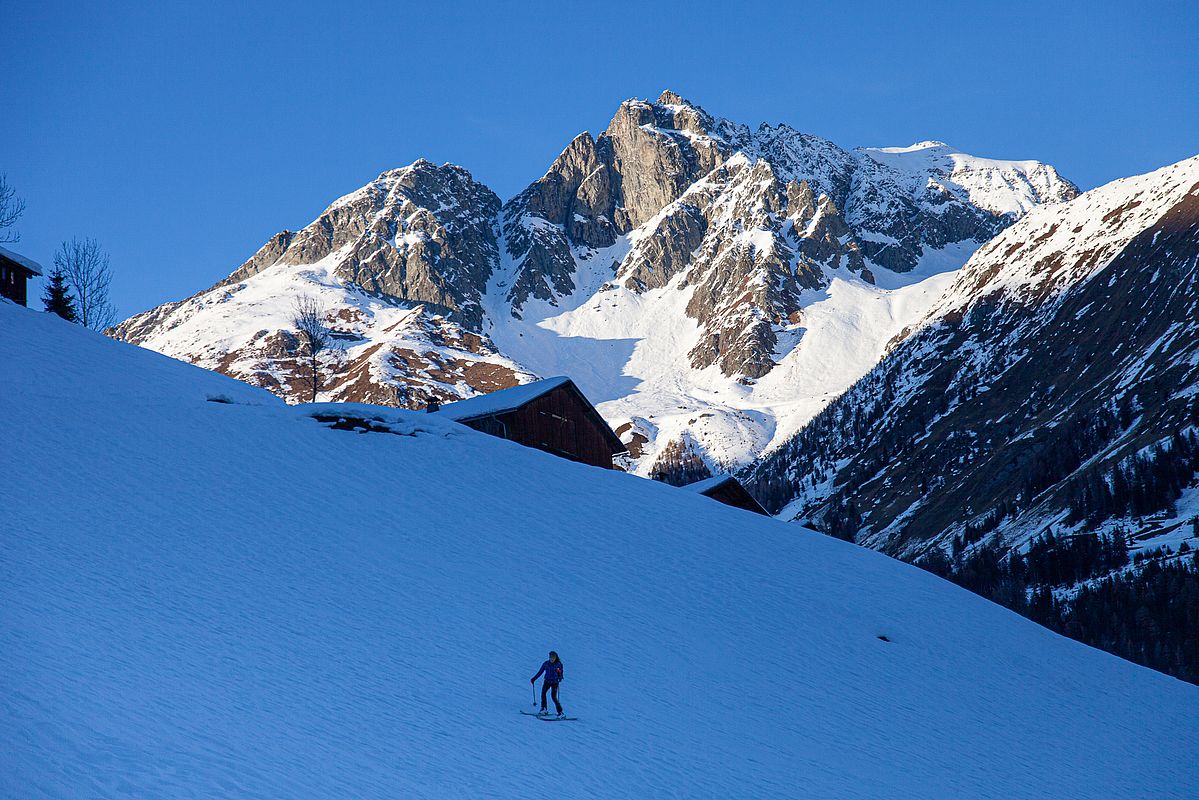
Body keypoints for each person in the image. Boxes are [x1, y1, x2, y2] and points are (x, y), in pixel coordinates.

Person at [530, 651, 564, 716]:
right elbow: (540, 671)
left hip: (554, 682)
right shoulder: (546, 664)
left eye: (553, 658)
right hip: (547, 681)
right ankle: (544, 709)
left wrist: (559, 676)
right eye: (551, 658)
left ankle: (560, 712)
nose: (552, 659)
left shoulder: (558, 664)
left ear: (555, 658)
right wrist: (534, 678)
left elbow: (561, 674)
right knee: (543, 694)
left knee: (553, 697)